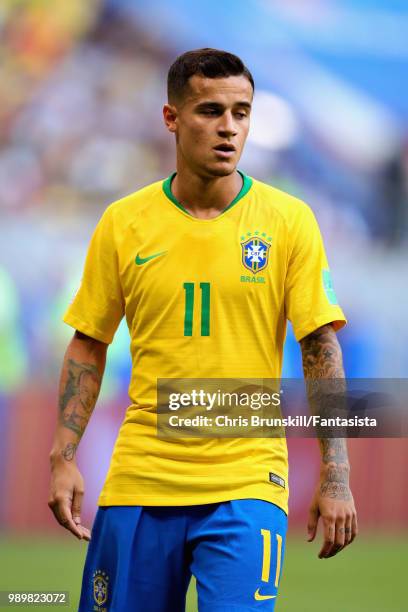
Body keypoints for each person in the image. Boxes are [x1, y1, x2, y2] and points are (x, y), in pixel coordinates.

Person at [48, 48, 358, 611]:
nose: (228, 128)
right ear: (171, 118)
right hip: (141, 480)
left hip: (247, 482)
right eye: (211, 111)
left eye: (241, 113)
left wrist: (336, 475)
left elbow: (320, 347)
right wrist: (63, 456)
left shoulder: (288, 221)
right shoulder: (124, 223)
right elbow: (89, 342)